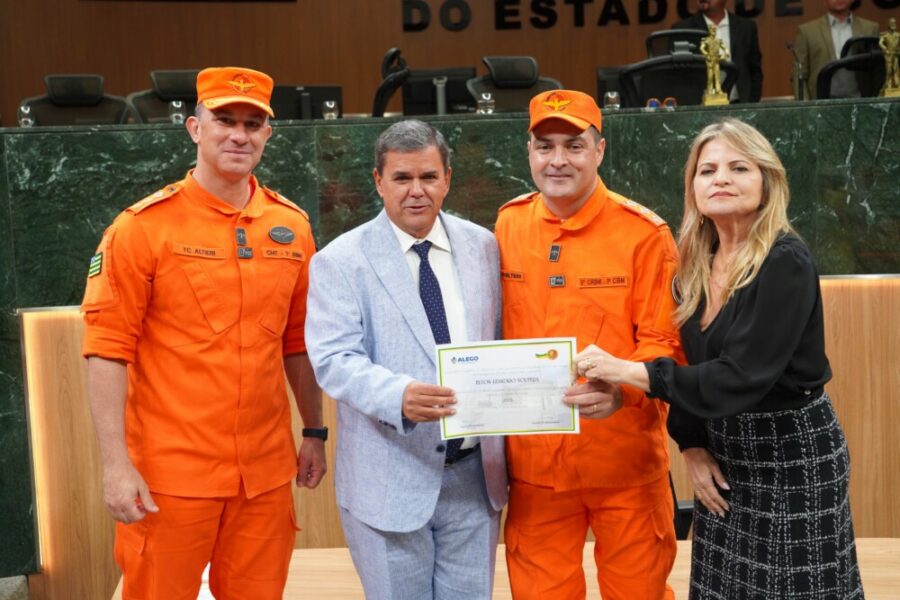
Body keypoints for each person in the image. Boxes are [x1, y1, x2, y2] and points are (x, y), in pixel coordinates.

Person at [575, 118, 864, 599]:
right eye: (707, 170)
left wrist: (631, 372)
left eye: (738, 167)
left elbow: (739, 377)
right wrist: (690, 444)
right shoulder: (692, 263)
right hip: (723, 450)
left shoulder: (784, 261)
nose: (722, 179)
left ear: (767, 181)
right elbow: (689, 362)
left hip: (790, 452)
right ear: (693, 188)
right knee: (723, 589)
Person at [81, 66, 326, 599]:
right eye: (224, 120)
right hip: (170, 478)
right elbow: (106, 349)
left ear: (267, 135)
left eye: (253, 123)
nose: (239, 133)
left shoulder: (293, 228)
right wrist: (115, 466)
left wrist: (314, 430)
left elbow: (298, 342)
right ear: (195, 128)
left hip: (263, 476)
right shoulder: (142, 228)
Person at [305, 119, 508, 599]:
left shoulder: (483, 245)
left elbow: (499, 339)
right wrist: (398, 395)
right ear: (378, 180)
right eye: (401, 178)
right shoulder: (339, 260)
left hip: (473, 480)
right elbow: (333, 358)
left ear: (447, 179)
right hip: (389, 480)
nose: (417, 191)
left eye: (428, 177)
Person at [495, 89, 684, 600]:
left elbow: (665, 346)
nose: (558, 160)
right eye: (544, 146)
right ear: (528, 152)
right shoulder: (506, 225)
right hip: (536, 469)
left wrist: (625, 391)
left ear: (599, 151)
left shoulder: (645, 234)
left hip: (623, 463)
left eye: (574, 145)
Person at [674, 0, 763, 103]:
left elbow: (755, 72)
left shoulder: (746, 27)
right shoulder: (683, 29)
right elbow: (676, 76)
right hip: (699, 107)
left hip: (739, 105)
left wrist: (751, 104)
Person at [793, 0, 879, 99]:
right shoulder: (807, 31)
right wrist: (806, 108)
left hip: (861, 103)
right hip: (820, 105)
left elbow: (878, 73)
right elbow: (799, 73)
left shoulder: (870, 28)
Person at [700, 24, 730, 97]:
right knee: (710, 77)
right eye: (712, 29)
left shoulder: (718, 40)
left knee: (717, 77)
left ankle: (718, 90)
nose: (713, 31)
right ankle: (710, 91)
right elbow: (702, 48)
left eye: (714, 29)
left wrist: (726, 52)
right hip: (710, 60)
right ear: (709, 30)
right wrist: (707, 55)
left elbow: (724, 48)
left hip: (716, 60)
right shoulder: (706, 40)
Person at [881, 17, 900, 90]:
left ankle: (897, 83)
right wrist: (885, 49)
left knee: (895, 69)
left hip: (895, 54)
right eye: (891, 23)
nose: (893, 25)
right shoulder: (885, 35)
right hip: (888, 55)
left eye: (894, 23)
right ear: (889, 25)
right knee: (888, 70)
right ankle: (888, 84)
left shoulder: (898, 35)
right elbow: (880, 43)